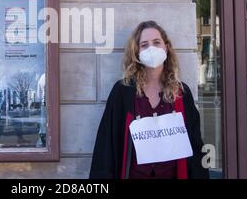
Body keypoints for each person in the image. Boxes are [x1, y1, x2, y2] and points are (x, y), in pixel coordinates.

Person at [89, 20, 209, 179]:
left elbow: (195, 146)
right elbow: (106, 148)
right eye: (144, 45)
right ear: (137, 52)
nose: (151, 48)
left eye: (157, 42)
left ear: (166, 47)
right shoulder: (122, 92)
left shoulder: (181, 93)